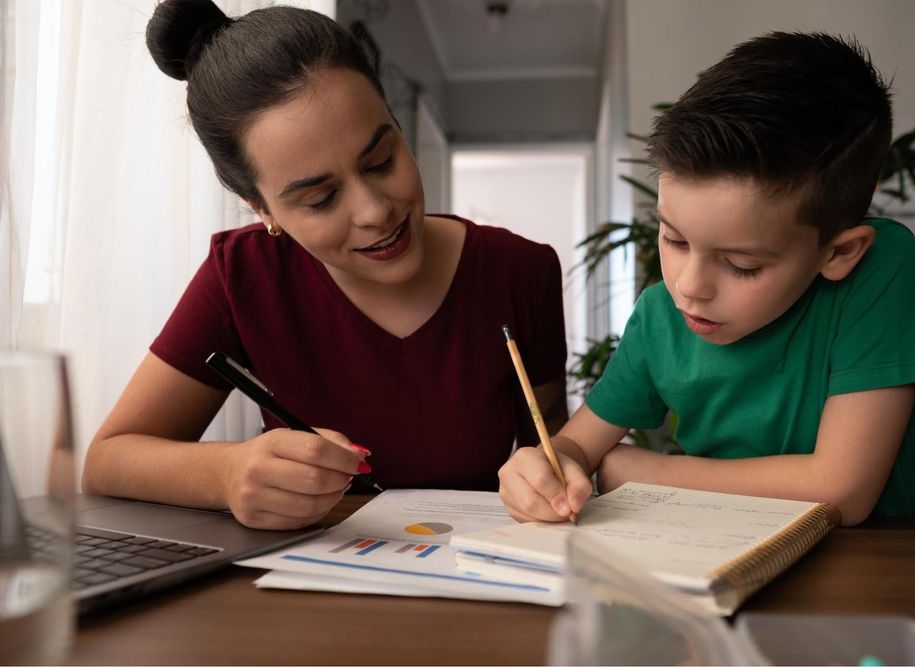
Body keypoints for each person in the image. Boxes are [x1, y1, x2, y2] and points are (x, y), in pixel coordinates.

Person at [83, 0, 568, 529]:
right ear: (263, 209)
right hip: (297, 600)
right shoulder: (244, 274)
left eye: (382, 160)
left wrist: (550, 476)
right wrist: (227, 471)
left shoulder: (521, 272)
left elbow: (555, 453)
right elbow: (106, 461)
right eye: (320, 198)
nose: (375, 211)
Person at [499, 32, 915, 527]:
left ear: (838, 252)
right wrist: (545, 466)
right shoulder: (660, 315)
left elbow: (842, 490)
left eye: (742, 265)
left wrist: (640, 470)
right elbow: (577, 444)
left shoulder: (877, 268)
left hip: (866, 576)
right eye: (674, 238)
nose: (689, 286)